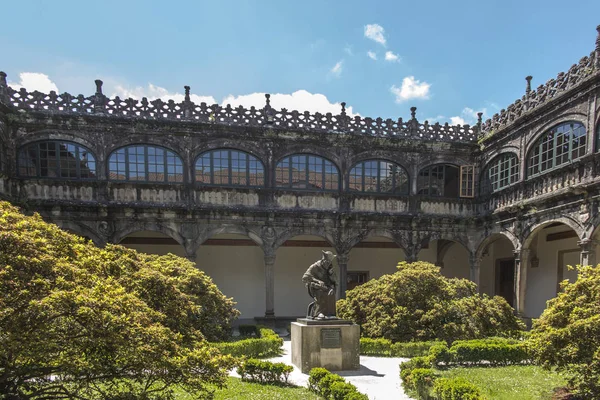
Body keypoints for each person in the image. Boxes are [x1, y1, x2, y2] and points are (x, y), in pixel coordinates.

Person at [302, 250, 338, 319]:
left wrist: (331, 274)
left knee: (331, 293)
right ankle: (319, 313)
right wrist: (317, 281)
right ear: (323, 260)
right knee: (321, 292)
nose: (328, 264)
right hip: (315, 287)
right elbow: (305, 278)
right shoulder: (315, 266)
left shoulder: (330, 268)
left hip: (326, 287)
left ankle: (331, 314)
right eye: (327, 262)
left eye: (329, 262)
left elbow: (335, 281)